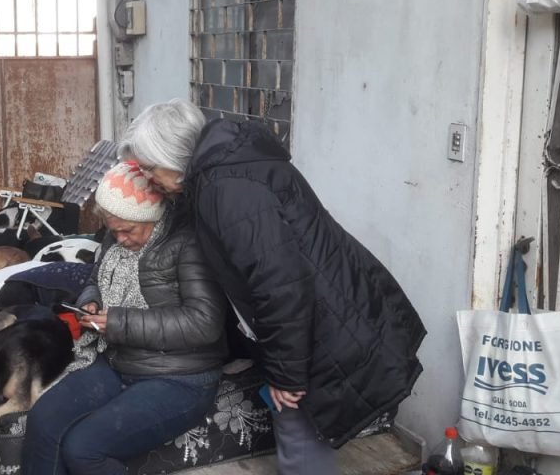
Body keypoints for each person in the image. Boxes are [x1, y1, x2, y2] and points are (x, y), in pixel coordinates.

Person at [119, 98, 427, 474]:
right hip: (329, 311)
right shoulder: (226, 167)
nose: (151, 179)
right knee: (299, 428)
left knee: (298, 431)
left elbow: (281, 286)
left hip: (325, 324)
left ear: (175, 155)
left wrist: (287, 375)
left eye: (151, 169)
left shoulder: (227, 189)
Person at [21, 161, 228, 475]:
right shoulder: (116, 237)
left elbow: (204, 322)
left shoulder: (186, 244)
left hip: (178, 376)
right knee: (44, 419)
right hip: (119, 361)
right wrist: (91, 303)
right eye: (113, 230)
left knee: (83, 448)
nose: (119, 239)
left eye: (128, 231)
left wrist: (119, 322)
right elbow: (96, 279)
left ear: (152, 218)